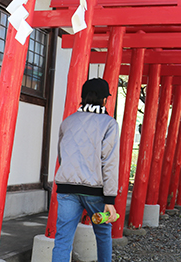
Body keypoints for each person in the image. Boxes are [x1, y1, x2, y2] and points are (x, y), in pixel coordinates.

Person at [52, 78, 120, 262]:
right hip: (95, 191)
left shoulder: (68, 122)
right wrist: (110, 199)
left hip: (66, 189)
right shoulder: (109, 124)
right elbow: (110, 163)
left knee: (63, 240)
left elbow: (62, 156)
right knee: (103, 234)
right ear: (105, 100)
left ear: (83, 97)